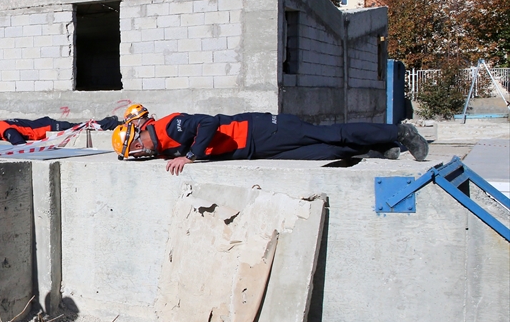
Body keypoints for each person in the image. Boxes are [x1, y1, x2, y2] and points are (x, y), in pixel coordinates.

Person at [110, 105, 430, 174]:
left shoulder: (172, 126)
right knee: (321, 153)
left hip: (260, 130)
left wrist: (189, 157)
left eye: (136, 148)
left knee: (332, 133)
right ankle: (380, 150)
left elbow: (207, 125)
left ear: (139, 134)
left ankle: (398, 132)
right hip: (256, 149)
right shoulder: (164, 143)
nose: (140, 154)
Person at [0, 116, 121, 146]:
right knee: (80, 126)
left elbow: (19, 144)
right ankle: (109, 121)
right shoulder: (0, 127)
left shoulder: (5, 130)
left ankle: (112, 123)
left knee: (82, 127)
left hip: (48, 127)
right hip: (43, 124)